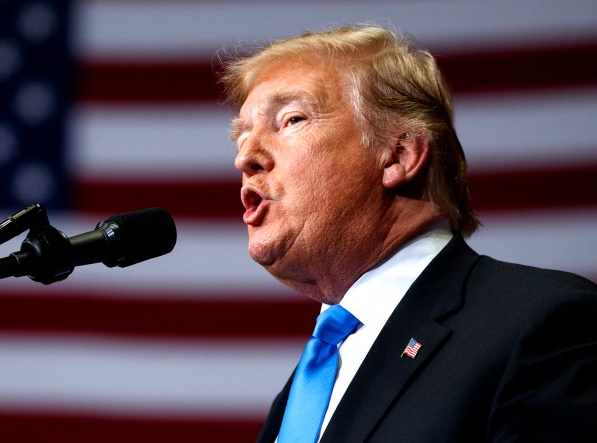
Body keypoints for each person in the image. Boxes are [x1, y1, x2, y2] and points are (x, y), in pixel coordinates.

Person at [219, 25, 597, 442]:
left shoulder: (540, 322)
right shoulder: (308, 384)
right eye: (242, 136)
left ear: (399, 156)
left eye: (291, 120)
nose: (245, 157)